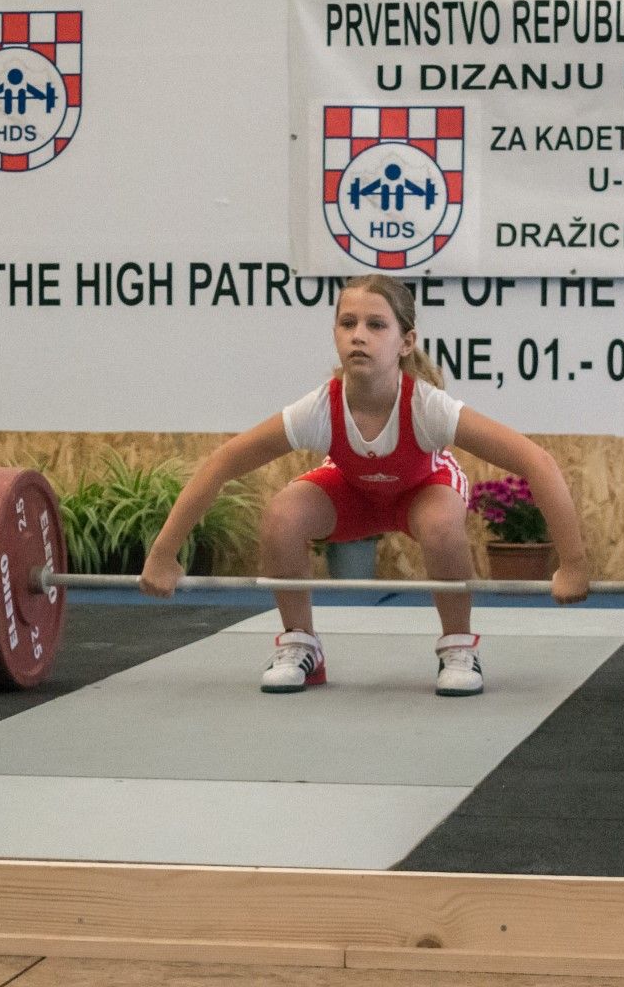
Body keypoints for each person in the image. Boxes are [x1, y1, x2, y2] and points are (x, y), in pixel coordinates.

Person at [140, 273, 590, 696]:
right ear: (335, 334)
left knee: (438, 524)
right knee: (283, 513)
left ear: (406, 342)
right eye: (347, 323)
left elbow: (538, 462)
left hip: (422, 488)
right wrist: (163, 554)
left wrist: (572, 563)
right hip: (353, 494)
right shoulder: (318, 408)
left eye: (376, 325)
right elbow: (223, 462)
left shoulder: (429, 408)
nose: (359, 334)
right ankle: (302, 645)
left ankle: (458, 646)